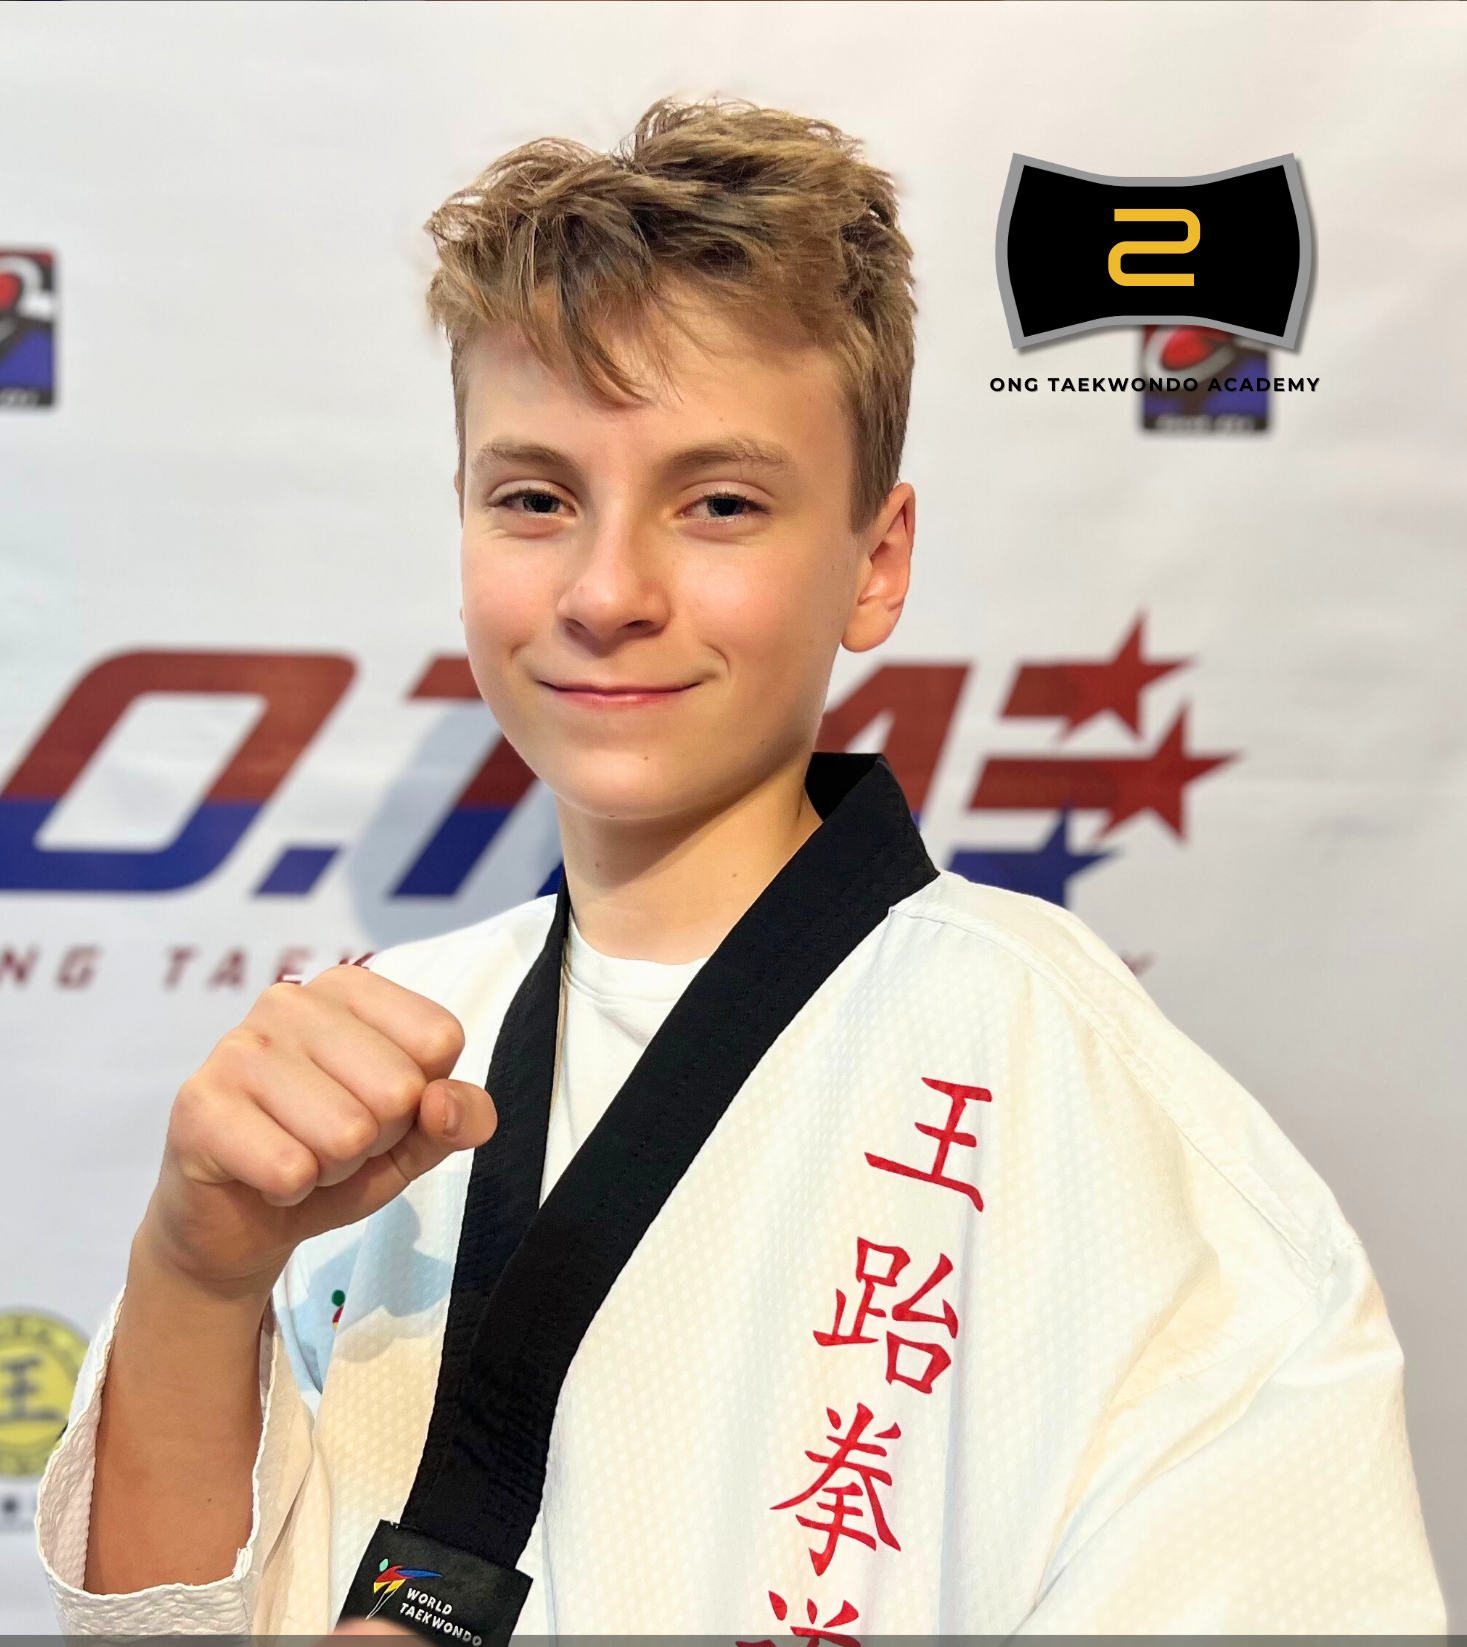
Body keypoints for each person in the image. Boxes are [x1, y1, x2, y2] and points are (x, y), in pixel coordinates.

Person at [37, 98, 1444, 1639]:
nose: (607, 591)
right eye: (534, 497)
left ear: (875, 558)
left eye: (718, 502)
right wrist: (194, 1276)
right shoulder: (366, 1064)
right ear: (460, 518)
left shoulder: (1087, 1096)